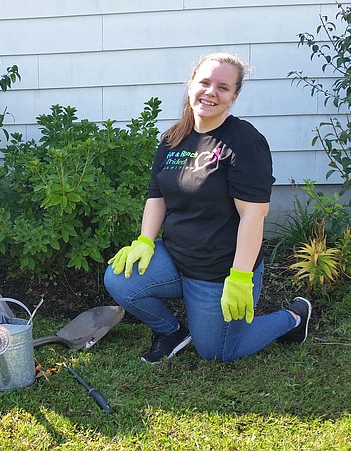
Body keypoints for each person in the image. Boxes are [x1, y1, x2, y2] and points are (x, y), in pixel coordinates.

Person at [103, 52, 311, 364]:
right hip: (176, 255)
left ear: (234, 97)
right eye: (205, 82)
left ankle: (293, 317)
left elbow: (253, 215)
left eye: (223, 87)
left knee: (217, 352)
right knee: (119, 280)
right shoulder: (173, 138)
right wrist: (145, 240)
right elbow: (156, 194)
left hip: (220, 270)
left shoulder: (245, 141)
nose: (211, 92)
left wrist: (240, 275)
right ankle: (172, 331)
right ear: (190, 86)